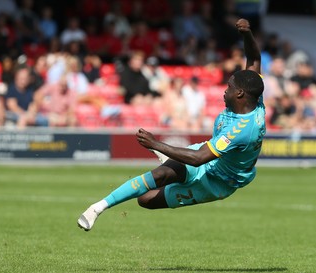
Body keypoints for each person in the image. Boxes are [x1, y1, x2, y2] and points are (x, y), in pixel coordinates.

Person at [77, 18, 266, 231]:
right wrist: (247, 34)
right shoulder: (254, 99)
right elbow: (254, 58)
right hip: (205, 159)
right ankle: (97, 207)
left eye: (229, 87)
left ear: (240, 93)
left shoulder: (241, 130)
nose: (225, 90)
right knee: (160, 175)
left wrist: (155, 144)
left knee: (145, 200)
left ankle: (170, 158)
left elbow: (198, 159)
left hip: (218, 183)